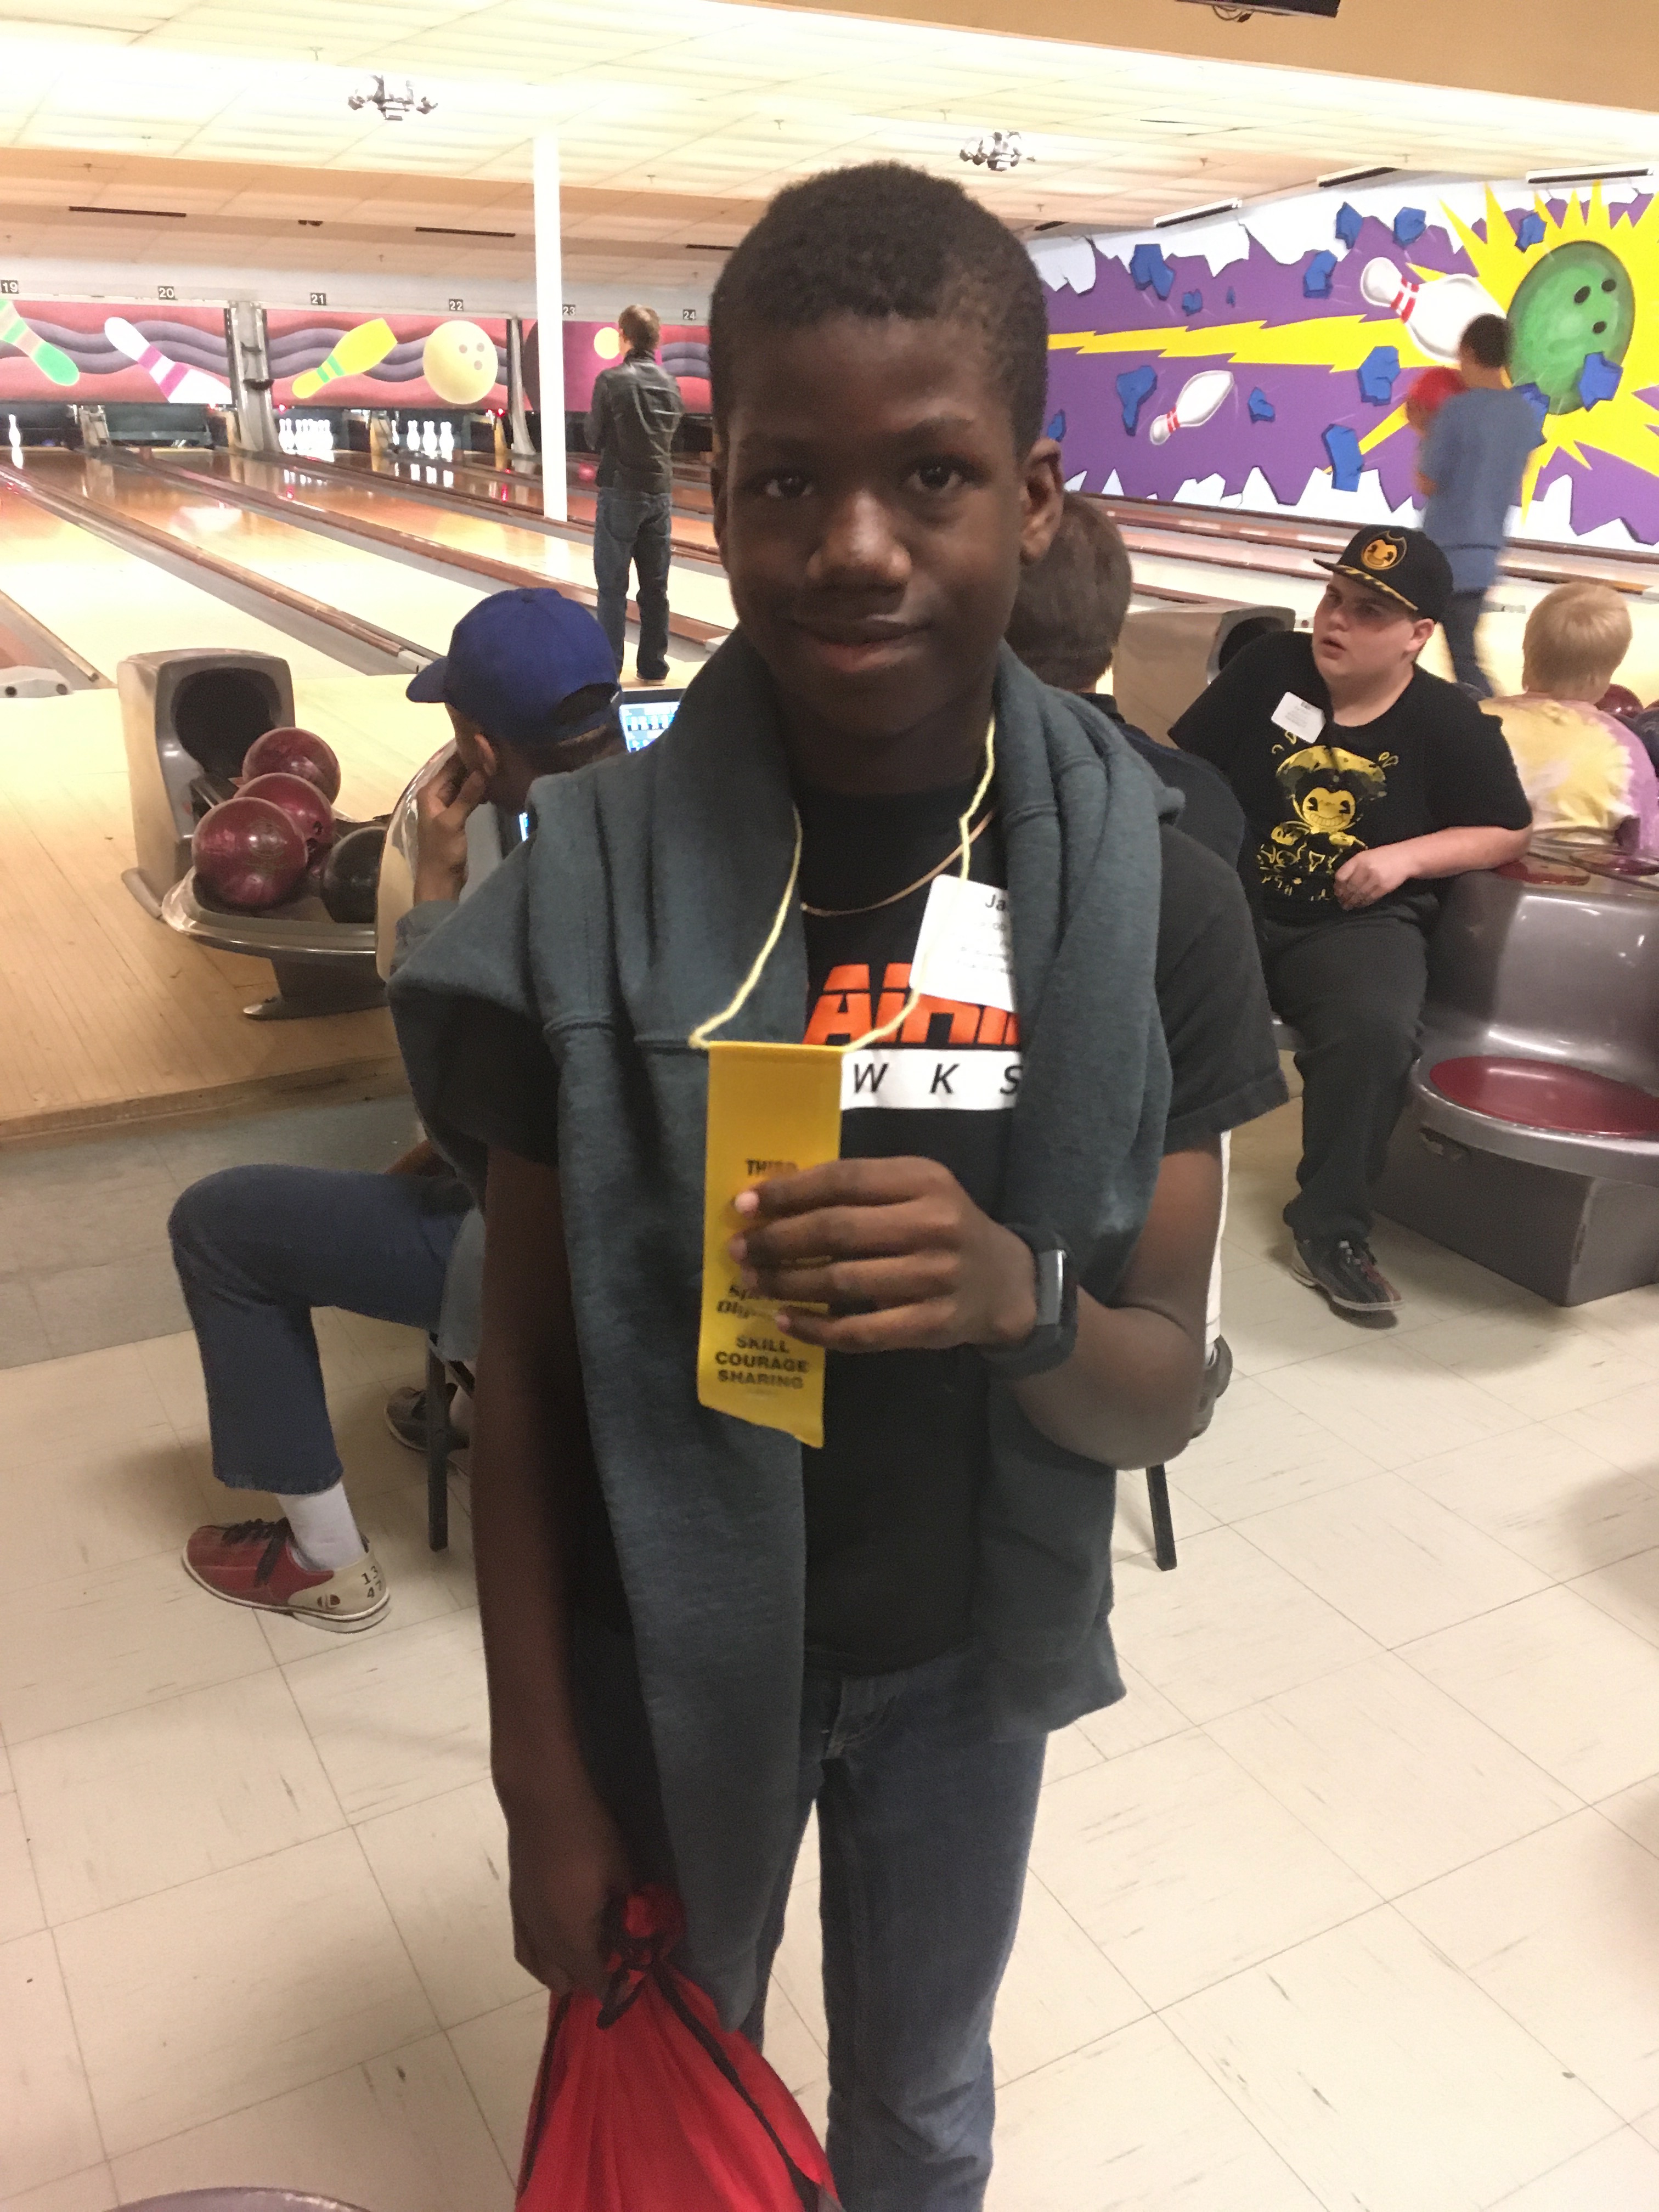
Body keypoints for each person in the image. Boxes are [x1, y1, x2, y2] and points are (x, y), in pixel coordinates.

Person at [391, 161, 1284, 2210]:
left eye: (931, 476)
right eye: (788, 480)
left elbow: (1159, 1386)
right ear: (714, 491)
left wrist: (1015, 1300)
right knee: (685, 2051)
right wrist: (537, 1774)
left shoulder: (1152, 900)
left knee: (924, 2100)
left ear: (1030, 499)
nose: (854, 546)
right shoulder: (589, 889)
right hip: (664, 1641)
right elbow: (523, 1377)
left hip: (964, 1657)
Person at [173, 590, 624, 1632]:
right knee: (427, 1171)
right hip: (662, 1251)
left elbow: (455, 1101)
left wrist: (432, 888)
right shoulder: (689, 847)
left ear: (478, 746)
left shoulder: (528, 898)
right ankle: (464, 1410)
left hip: (538, 1261)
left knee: (219, 1225)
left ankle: (321, 1560)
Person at [1171, 525, 1532, 1318]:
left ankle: (1331, 1229)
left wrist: (1408, 857)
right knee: (1144, 986)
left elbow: (1508, 829)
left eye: (1369, 611)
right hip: (1234, 905)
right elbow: (1189, 770)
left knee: (1374, 1031)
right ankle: (1131, 1183)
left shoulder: (1447, 720)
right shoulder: (1270, 668)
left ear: (1418, 636)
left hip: (1350, 926)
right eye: (1334, 597)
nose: (1336, 619)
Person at [1006, 489, 1248, 1426]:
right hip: (1146, 1294)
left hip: (1042, 1296)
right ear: (1111, 639)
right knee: (1194, 1105)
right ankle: (1201, 1342)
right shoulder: (1201, 799)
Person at [1417, 313, 1543, 697]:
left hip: (1438, 556)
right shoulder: (1524, 415)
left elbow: (1427, 482)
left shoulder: (1456, 411)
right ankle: (1496, 722)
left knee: (1395, 653)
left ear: (1468, 352)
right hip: (1485, 556)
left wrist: (1425, 430)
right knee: (1466, 659)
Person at [1482, 583, 1659, 853]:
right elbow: (1645, 850)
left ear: (1527, 651)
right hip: (1576, 878)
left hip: (1468, 873)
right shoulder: (1624, 749)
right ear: (1605, 675)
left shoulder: (1473, 719)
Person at [586, 303, 685, 684]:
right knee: (655, 588)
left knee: (612, 588)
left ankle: (608, 668)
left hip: (620, 493)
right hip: (659, 495)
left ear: (623, 336)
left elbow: (593, 437)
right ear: (656, 341)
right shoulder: (671, 384)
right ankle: (654, 666)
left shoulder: (610, 381)